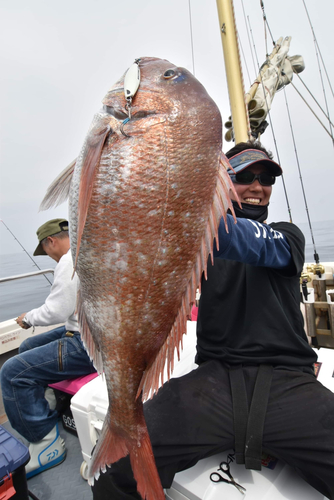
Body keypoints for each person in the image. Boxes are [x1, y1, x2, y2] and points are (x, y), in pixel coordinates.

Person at [90, 142, 334, 500]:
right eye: (244, 177)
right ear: (221, 183)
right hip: (215, 380)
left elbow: (249, 242)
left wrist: (183, 216)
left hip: (288, 379)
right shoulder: (190, 248)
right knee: (115, 463)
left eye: (266, 178)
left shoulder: (286, 235)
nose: (257, 186)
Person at [1, 218, 96, 479]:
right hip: (92, 333)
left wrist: (28, 318)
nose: (50, 257)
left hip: (89, 344)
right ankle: (46, 410)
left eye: (46, 251)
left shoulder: (69, 259)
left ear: (51, 241)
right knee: (30, 345)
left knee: (12, 372)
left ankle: (45, 443)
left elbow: (57, 310)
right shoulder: (89, 250)